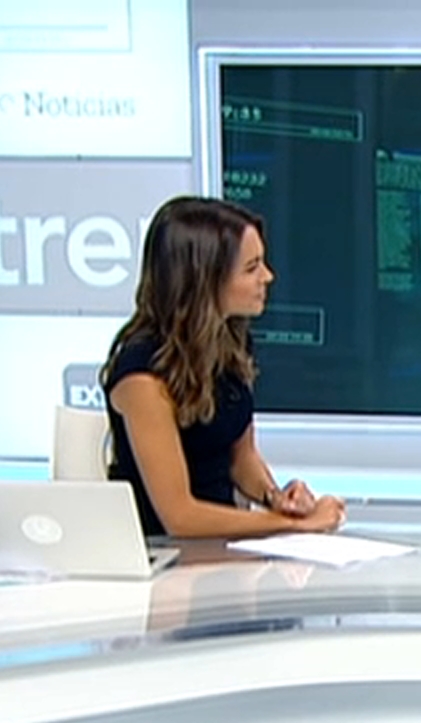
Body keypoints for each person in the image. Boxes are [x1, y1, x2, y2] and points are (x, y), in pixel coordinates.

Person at [102, 196, 344, 538]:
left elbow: (241, 460)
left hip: (223, 546)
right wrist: (295, 525)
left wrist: (277, 499)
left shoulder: (230, 344)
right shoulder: (141, 374)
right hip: (163, 553)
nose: (267, 276)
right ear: (205, 280)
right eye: (251, 268)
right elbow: (180, 518)